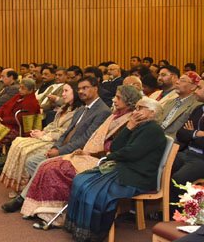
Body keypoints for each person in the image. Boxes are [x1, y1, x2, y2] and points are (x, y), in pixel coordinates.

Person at [20, 85, 142, 228]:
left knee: (57, 170)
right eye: (115, 96)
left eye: (118, 97)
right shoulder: (115, 115)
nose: (114, 100)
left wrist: (101, 148)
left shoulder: (130, 120)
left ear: (129, 101)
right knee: (48, 165)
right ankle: (41, 211)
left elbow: (119, 146)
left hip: (104, 160)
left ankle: (56, 217)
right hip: (91, 154)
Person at [1, 76, 111, 213]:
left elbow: (85, 139)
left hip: (79, 153)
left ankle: (23, 199)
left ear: (95, 88)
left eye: (85, 88)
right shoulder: (82, 109)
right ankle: (38, 197)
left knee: (41, 165)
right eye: (79, 89)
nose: (81, 91)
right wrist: (56, 147)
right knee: (32, 161)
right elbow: (66, 133)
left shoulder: (102, 111)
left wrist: (60, 151)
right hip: (64, 147)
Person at [64, 97, 167, 241]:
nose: (135, 111)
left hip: (137, 176)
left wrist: (110, 157)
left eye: (140, 108)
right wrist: (128, 127)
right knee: (81, 179)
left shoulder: (153, 130)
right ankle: (78, 227)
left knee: (93, 190)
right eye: (135, 108)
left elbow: (131, 153)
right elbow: (115, 146)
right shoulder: (138, 126)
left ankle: (92, 233)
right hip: (125, 168)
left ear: (152, 113)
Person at [0, 83, 80, 194]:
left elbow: (66, 132)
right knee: (18, 142)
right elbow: (53, 124)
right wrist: (42, 131)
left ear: (75, 93)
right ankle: (16, 185)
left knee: (26, 151)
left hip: (57, 142)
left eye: (66, 91)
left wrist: (44, 136)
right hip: (48, 135)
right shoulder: (65, 107)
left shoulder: (79, 111)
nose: (63, 94)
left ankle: (25, 187)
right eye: (63, 91)